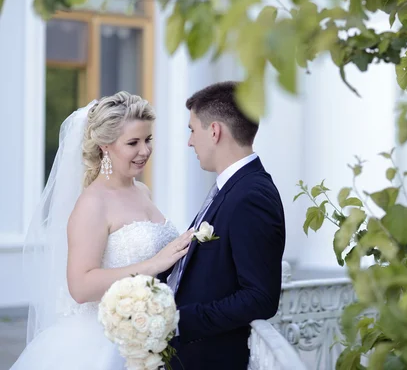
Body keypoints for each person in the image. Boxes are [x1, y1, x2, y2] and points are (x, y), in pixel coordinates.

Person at [10, 91, 193, 370]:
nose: (144, 151)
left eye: (148, 139)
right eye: (133, 142)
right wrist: (154, 263)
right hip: (99, 343)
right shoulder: (92, 203)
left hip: (145, 336)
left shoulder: (142, 191)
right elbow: (81, 287)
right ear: (106, 146)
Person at [160, 81, 286, 370]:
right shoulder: (233, 187)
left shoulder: (252, 195)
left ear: (214, 131)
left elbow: (260, 297)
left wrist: (179, 321)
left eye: (192, 130)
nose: (189, 141)